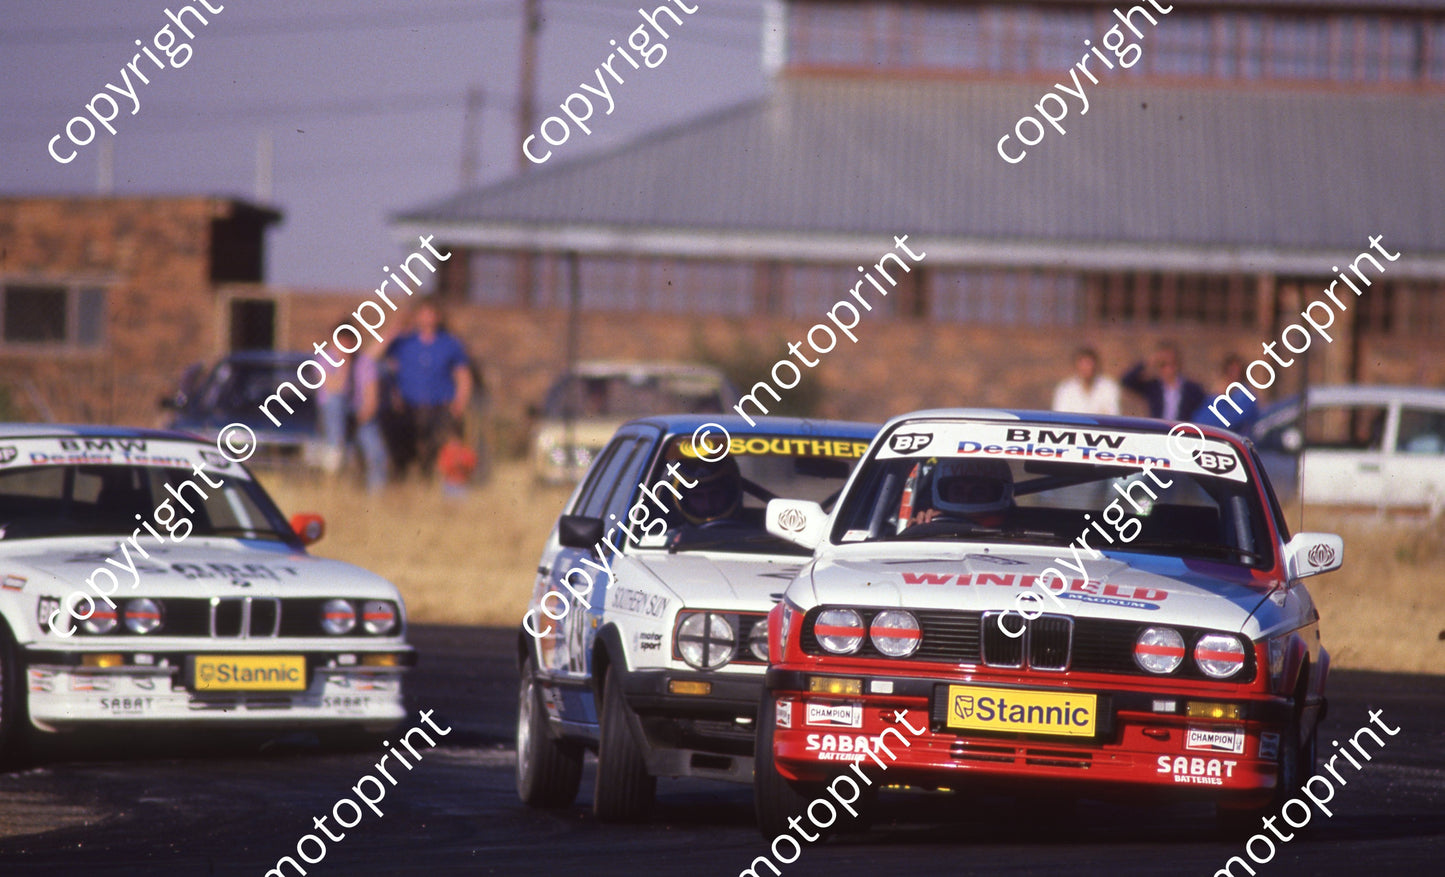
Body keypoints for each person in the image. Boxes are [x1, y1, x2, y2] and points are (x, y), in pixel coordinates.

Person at [383, 298, 473, 478]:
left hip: (440, 407)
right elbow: (376, 357)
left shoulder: (450, 344)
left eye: (431, 314)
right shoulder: (404, 342)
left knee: (440, 453)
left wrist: (460, 403)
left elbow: (463, 376)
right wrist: (395, 329)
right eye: (422, 313)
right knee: (403, 453)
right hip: (408, 408)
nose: (427, 318)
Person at [909, 459, 1013, 528]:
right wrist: (920, 526)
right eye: (957, 491)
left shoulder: (1015, 533)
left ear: (994, 494)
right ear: (945, 493)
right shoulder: (933, 525)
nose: (966, 498)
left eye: (978, 491)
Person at [1121, 341, 1206, 421]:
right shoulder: (1153, 387)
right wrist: (1148, 361)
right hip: (1159, 431)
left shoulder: (1192, 389)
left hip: (1182, 432)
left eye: (1172, 363)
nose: (1168, 369)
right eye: (1163, 365)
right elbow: (1126, 381)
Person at [350, 331, 390, 492]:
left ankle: (375, 493)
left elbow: (371, 398)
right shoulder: (326, 360)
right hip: (337, 418)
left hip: (362, 417)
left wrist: (359, 419)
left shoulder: (365, 364)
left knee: (376, 454)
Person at [1191, 353, 1259, 433]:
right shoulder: (1220, 395)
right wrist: (1216, 396)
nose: (1233, 377)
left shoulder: (1246, 397)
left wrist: (1219, 398)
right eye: (1230, 372)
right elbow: (1199, 420)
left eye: (1236, 373)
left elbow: (1229, 421)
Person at [1052, 347, 1121, 415]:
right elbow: (1061, 416)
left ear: (1095, 365)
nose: (1086, 368)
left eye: (1088, 364)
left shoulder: (1108, 387)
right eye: (1082, 364)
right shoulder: (1065, 389)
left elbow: (1112, 414)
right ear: (1076, 366)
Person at [436, 420, 478, 498]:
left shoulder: (467, 452)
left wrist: (462, 466)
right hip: (450, 486)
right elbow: (442, 470)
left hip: (462, 486)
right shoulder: (446, 451)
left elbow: (472, 469)